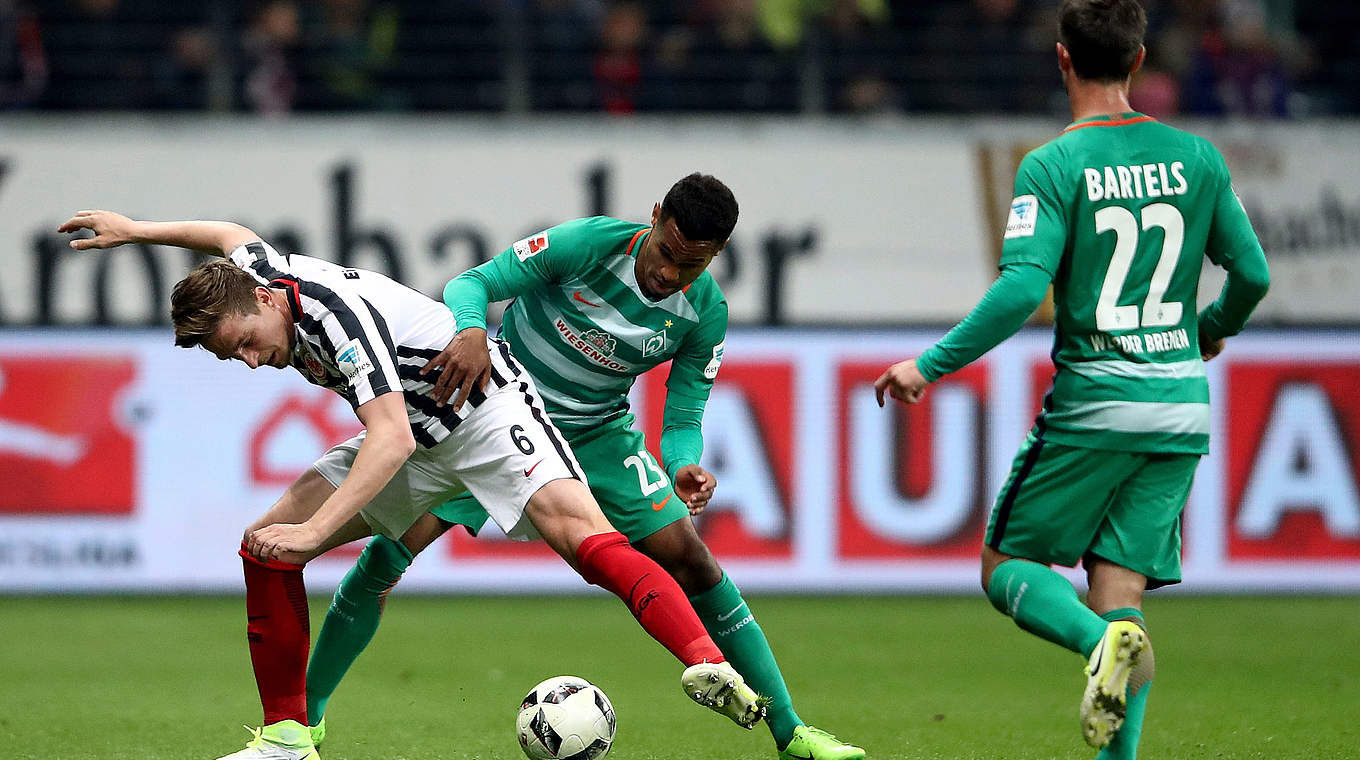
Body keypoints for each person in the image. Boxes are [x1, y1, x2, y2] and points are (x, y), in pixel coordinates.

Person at [57, 209, 765, 760]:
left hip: (487, 411)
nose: (247, 361)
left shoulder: (337, 320)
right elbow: (227, 234)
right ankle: (285, 737)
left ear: (267, 303)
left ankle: (706, 665)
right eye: (229, 357)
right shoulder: (259, 274)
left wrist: (316, 531)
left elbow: (386, 437)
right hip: (422, 430)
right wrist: (134, 232)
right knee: (263, 546)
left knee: (584, 539)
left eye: (243, 342)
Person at [302, 173, 865, 760]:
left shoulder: (704, 313)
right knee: (387, 556)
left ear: (716, 255)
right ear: (654, 216)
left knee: (692, 558)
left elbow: (683, 413)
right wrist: (471, 330)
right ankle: (306, 721)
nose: (670, 273)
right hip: (494, 414)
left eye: (691, 265)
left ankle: (792, 733)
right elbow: (472, 282)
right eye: (667, 252)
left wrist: (683, 464)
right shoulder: (585, 245)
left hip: (596, 433)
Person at [874, 1, 1269, 758]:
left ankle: (1095, 644)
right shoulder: (1199, 157)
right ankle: (1112, 678)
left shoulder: (1053, 165)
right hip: (1181, 409)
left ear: (1061, 59)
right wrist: (1209, 332)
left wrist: (929, 364)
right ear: (1140, 61)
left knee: (1006, 567)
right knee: (1122, 598)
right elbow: (1252, 274)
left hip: (1098, 402)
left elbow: (1024, 290)